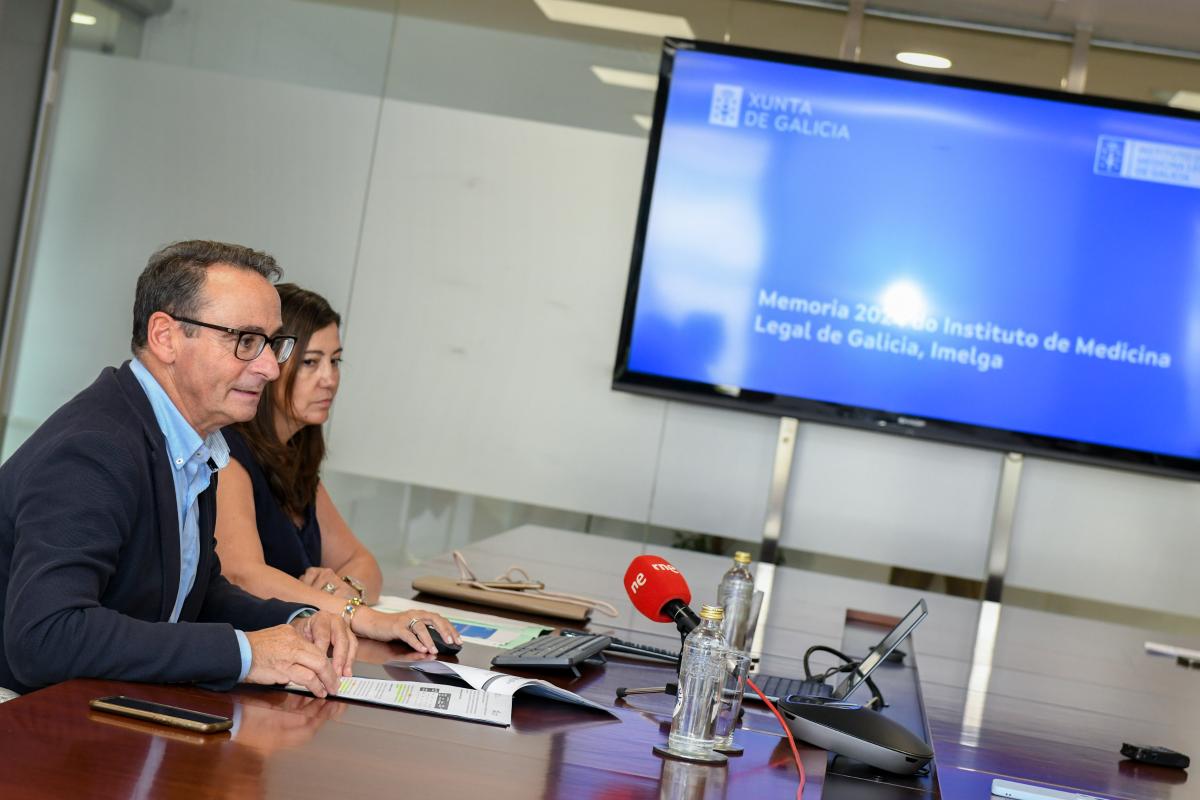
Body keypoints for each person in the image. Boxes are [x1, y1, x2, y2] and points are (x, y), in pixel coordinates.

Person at [0, 240, 356, 697]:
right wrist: (245, 653)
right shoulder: (95, 447)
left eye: (271, 343)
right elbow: (46, 636)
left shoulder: (190, 440)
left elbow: (195, 595)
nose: (270, 368)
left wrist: (295, 620)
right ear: (165, 337)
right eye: (246, 341)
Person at [214, 284, 460, 653]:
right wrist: (355, 613)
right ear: (270, 363)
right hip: (246, 657)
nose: (329, 379)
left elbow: (362, 563)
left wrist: (346, 589)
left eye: (335, 361)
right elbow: (243, 575)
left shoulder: (294, 459)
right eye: (311, 362)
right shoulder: (228, 454)